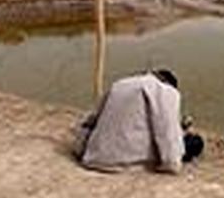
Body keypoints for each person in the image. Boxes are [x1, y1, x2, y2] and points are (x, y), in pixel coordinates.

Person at [73, 68, 205, 173]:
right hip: (123, 157)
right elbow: (166, 133)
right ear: (169, 83)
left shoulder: (119, 84)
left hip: (94, 155)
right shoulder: (166, 91)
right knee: (195, 142)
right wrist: (173, 161)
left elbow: (91, 121)